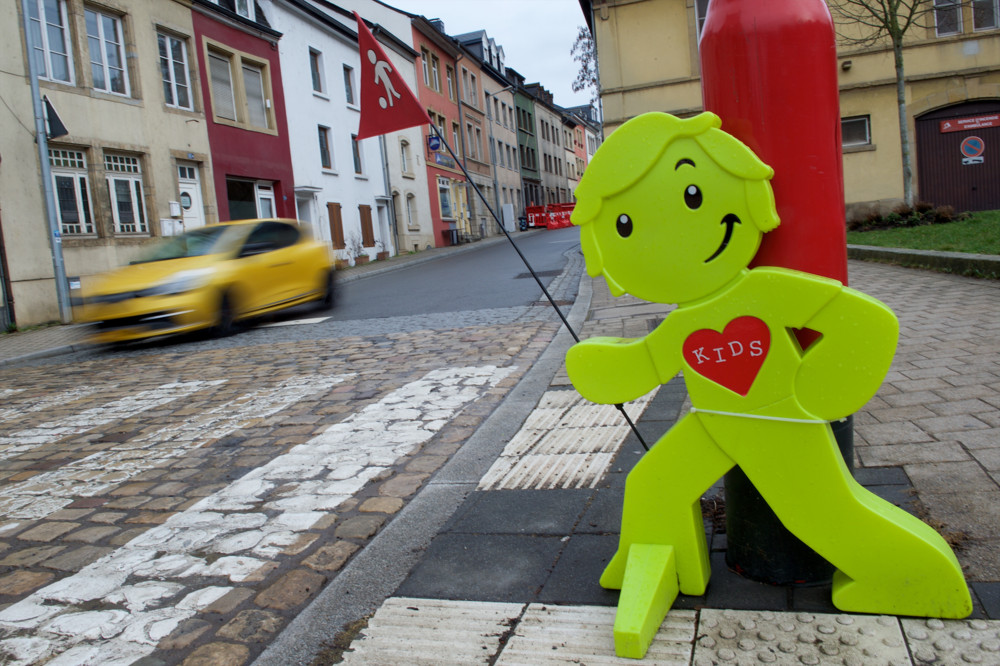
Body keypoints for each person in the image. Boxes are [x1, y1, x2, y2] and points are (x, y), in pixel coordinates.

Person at [566, 111, 972, 659]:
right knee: (653, 486)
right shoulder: (689, 319)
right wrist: (598, 370)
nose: (670, 234)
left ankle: (919, 577)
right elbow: (647, 362)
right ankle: (669, 566)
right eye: (624, 226)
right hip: (719, 423)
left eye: (693, 195)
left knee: (820, 513)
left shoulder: (765, 290)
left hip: (775, 421)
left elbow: (867, 322)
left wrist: (821, 391)